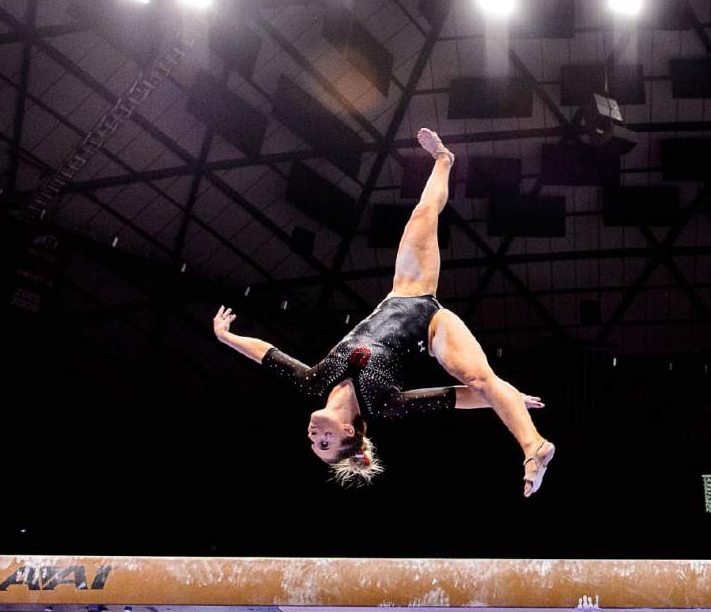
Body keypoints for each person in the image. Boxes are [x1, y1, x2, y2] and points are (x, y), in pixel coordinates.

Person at [214, 128, 554, 495]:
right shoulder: (382, 405)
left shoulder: (313, 381)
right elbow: (454, 397)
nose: (313, 438)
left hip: (406, 291)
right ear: (347, 432)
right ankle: (533, 447)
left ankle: (444, 160)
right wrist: (500, 395)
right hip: (432, 328)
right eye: (324, 445)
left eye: (313, 444)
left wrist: (226, 337)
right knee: (479, 378)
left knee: (422, 214)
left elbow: (266, 355)